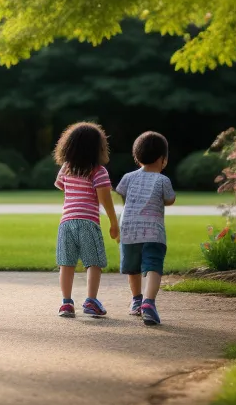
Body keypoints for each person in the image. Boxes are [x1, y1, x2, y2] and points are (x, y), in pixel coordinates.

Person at [54, 122, 119, 318]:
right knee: (94, 262)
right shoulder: (98, 171)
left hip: (66, 222)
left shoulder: (66, 168)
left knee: (66, 263)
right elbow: (105, 200)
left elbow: (62, 187)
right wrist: (114, 222)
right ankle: (91, 301)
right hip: (88, 222)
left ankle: (66, 303)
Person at [115, 131, 176, 326]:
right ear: (163, 159)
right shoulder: (162, 180)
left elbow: (122, 194)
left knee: (132, 267)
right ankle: (149, 303)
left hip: (129, 230)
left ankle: (136, 300)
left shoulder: (128, 177)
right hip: (153, 232)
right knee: (153, 266)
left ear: (137, 157)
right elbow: (170, 199)